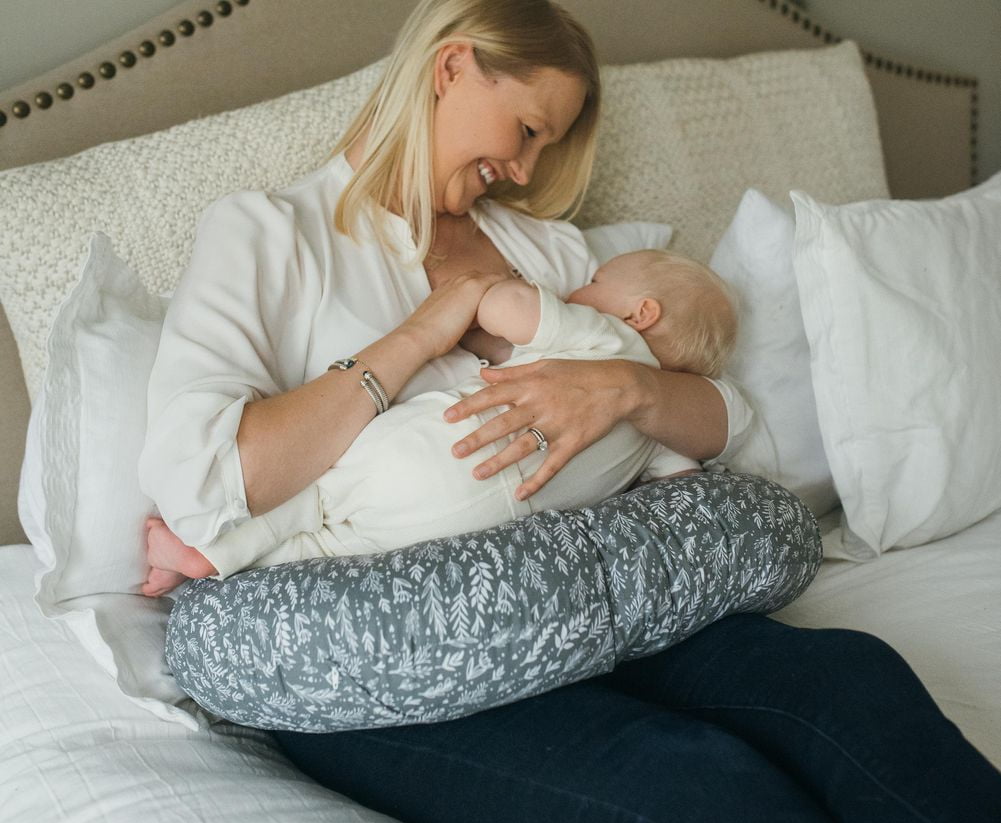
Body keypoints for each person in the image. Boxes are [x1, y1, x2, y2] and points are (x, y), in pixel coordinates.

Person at [139, 0, 1001, 823]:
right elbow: (203, 477)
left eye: (545, 145)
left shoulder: (542, 251)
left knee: (854, 687)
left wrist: (627, 385)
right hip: (400, 660)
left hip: (597, 595)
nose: (525, 164)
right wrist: (425, 330)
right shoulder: (269, 239)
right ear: (451, 64)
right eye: (524, 128)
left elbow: (735, 432)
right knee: (702, 795)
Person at [140, 249, 738, 591]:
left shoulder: (600, 334)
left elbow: (506, 306)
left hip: (433, 456)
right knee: (332, 548)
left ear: (641, 313)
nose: (579, 288)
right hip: (466, 543)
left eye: (595, 281)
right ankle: (208, 561)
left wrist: (490, 292)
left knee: (319, 497)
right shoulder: (659, 440)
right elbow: (684, 483)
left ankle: (210, 555)